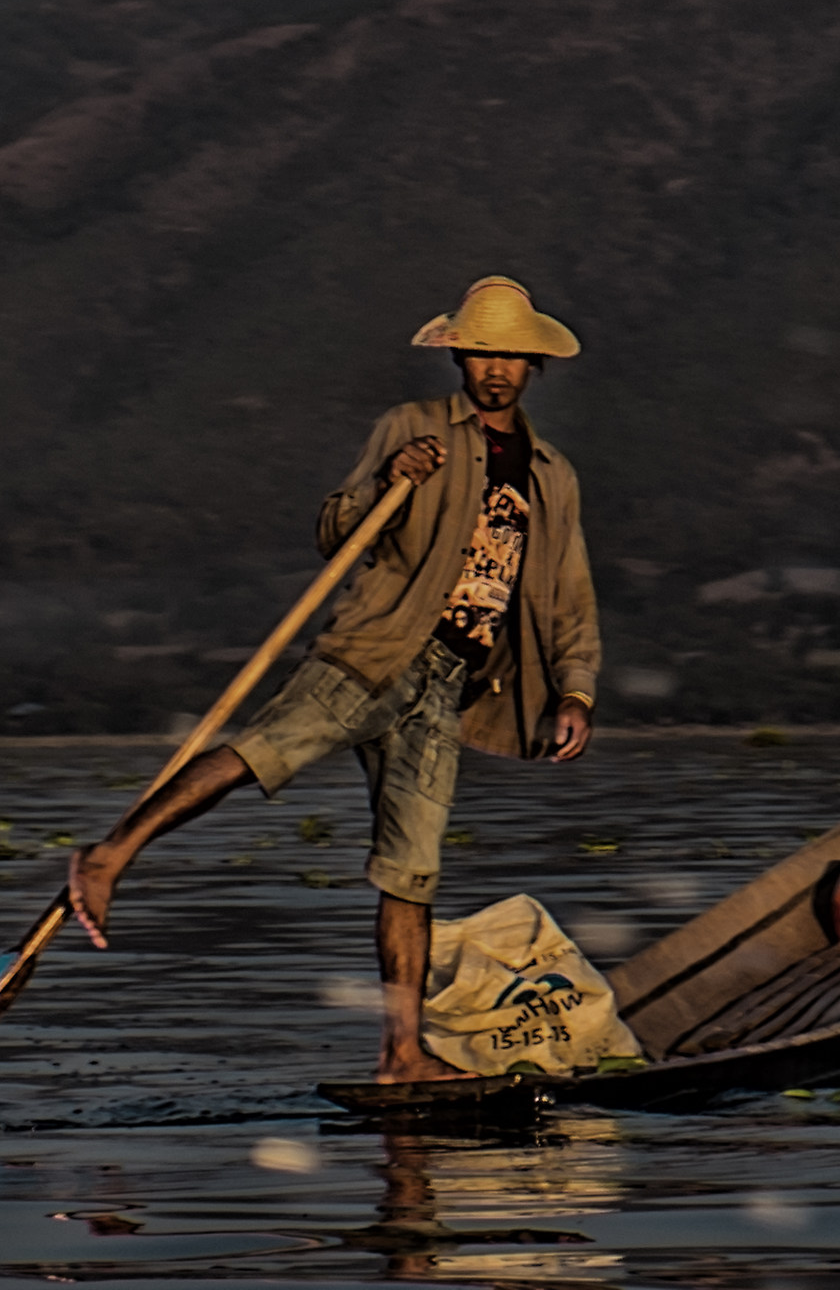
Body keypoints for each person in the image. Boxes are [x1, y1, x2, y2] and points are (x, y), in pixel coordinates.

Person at [67, 276, 601, 1082]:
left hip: (449, 683)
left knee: (411, 873)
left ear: (535, 366)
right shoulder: (413, 427)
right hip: (374, 651)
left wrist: (575, 690)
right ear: (460, 357)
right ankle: (110, 855)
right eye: (482, 352)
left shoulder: (552, 475)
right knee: (257, 756)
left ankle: (400, 1053)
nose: (496, 369)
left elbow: (569, 593)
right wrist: (391, 481)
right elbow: (334, 529)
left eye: (511, 356)